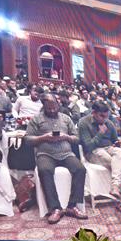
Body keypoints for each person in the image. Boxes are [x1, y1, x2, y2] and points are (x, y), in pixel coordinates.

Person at [26, 93, 88, 224]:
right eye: (49, 108)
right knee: (45, 171)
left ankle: (72, 206)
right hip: (45, 154)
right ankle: (55, 208)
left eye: (54, 107)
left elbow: (77, 138)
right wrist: (43, 137)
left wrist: (66, 137)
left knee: (80, 169)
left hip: (66, 153)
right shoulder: (36, 119)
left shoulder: (66, 118)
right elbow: (27, 140)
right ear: (44, 107)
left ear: (58, 104)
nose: (52, 110)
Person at [77, 102, 121, 213]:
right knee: (116, 165)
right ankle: (120, 199)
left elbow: (114, 140)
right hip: (93, 152)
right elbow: (88, 146)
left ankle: (115, 188)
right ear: (93, 113)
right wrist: (100, 133)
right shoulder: (83, 123)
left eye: (106, 116)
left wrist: (117, 143)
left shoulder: (109, 123)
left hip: (108, 148)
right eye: (101, 116)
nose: (104, 119)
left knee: (118, 151)